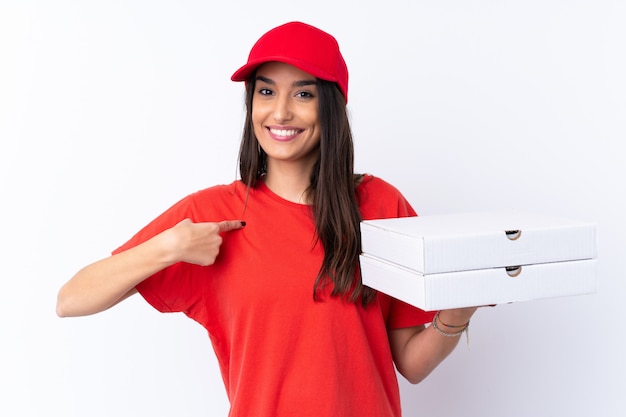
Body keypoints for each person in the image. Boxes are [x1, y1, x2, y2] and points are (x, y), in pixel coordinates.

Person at [57, 21, 478, 417]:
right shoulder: (212, 216)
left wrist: (460, 308)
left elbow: (411, 364)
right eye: (265, 92)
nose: (279, 113)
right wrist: (168, 247)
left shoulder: (381, 206)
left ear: (330, 105)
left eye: (303, 94)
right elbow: (72, 300)